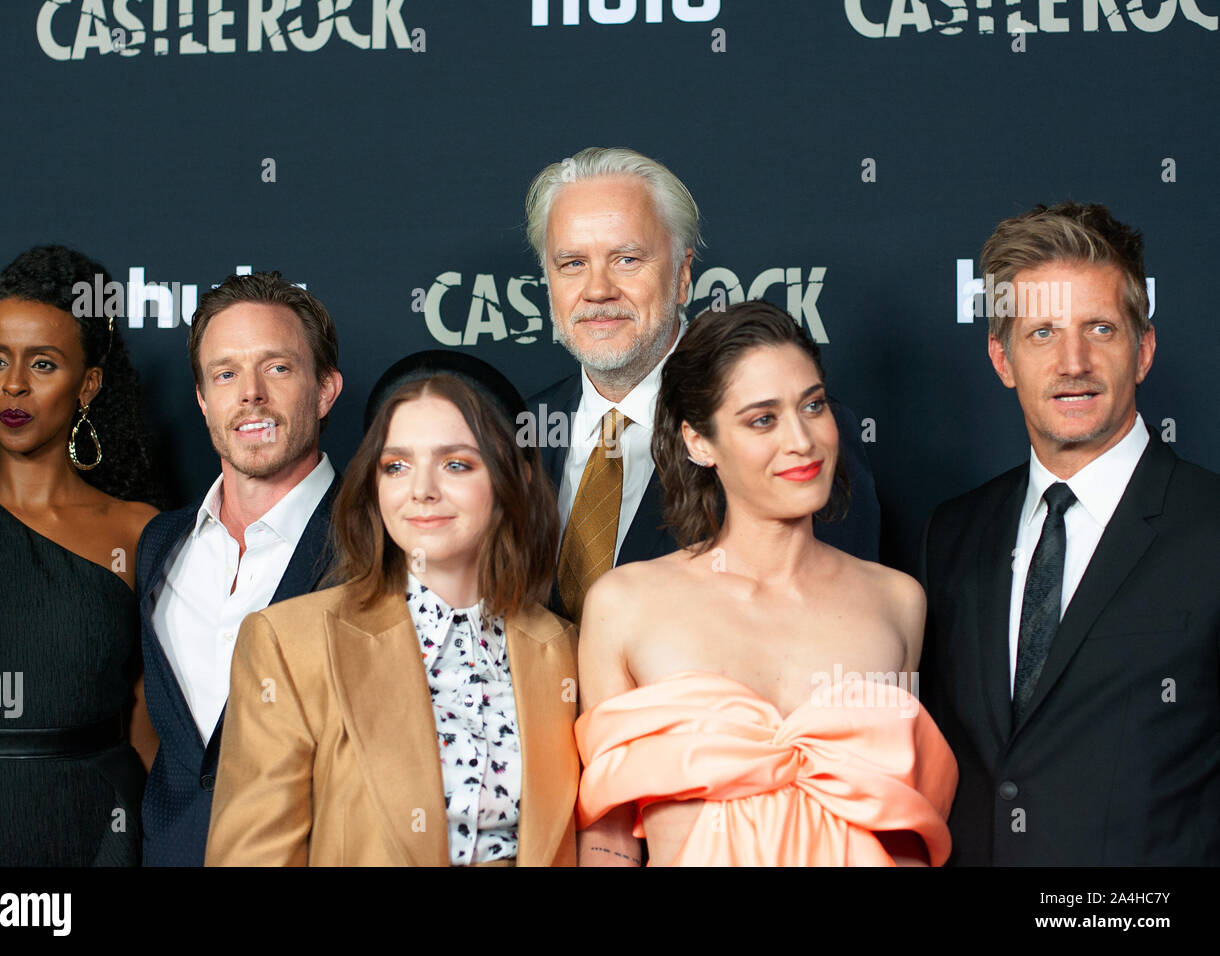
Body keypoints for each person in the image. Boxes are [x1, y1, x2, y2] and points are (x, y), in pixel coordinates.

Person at [575, 300, 956, 867]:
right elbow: (608, 841)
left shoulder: (898, 601)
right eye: (762, 419)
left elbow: (903, 834)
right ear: (699, 442)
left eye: (813, 406)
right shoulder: (624, 605)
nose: (802, 441)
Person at [920, 202, 1220, 865]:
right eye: (1043, 334)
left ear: (1142, 351)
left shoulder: (1210, 526)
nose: (1073, 362)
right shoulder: (955, 533)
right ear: (1002, 358)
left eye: (1100, 329)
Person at [204, 352, 579, 866]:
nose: (422, 490)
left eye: (456, 464)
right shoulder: (290, 643)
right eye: (397, 466)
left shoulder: (564, 649)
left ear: (515, 479)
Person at [523, 146, 880, 625]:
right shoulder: (511, 434)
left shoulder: (791, 437)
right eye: (571, 264)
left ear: (683, 275)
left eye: (627, 259)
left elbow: (833, 635)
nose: (598, 289)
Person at [0, 244, 162, 865]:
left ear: (88, 385)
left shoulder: (138, 534)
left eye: (44, 364)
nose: (14, 384)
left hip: (98, 833)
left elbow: (148, 720)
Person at [138, 271, 343, 866]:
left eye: (277, 368)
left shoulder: (379, 542)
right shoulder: (160, 544)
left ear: (326, 389)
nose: (250, 393)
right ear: (203, 399)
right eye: (225, 374)